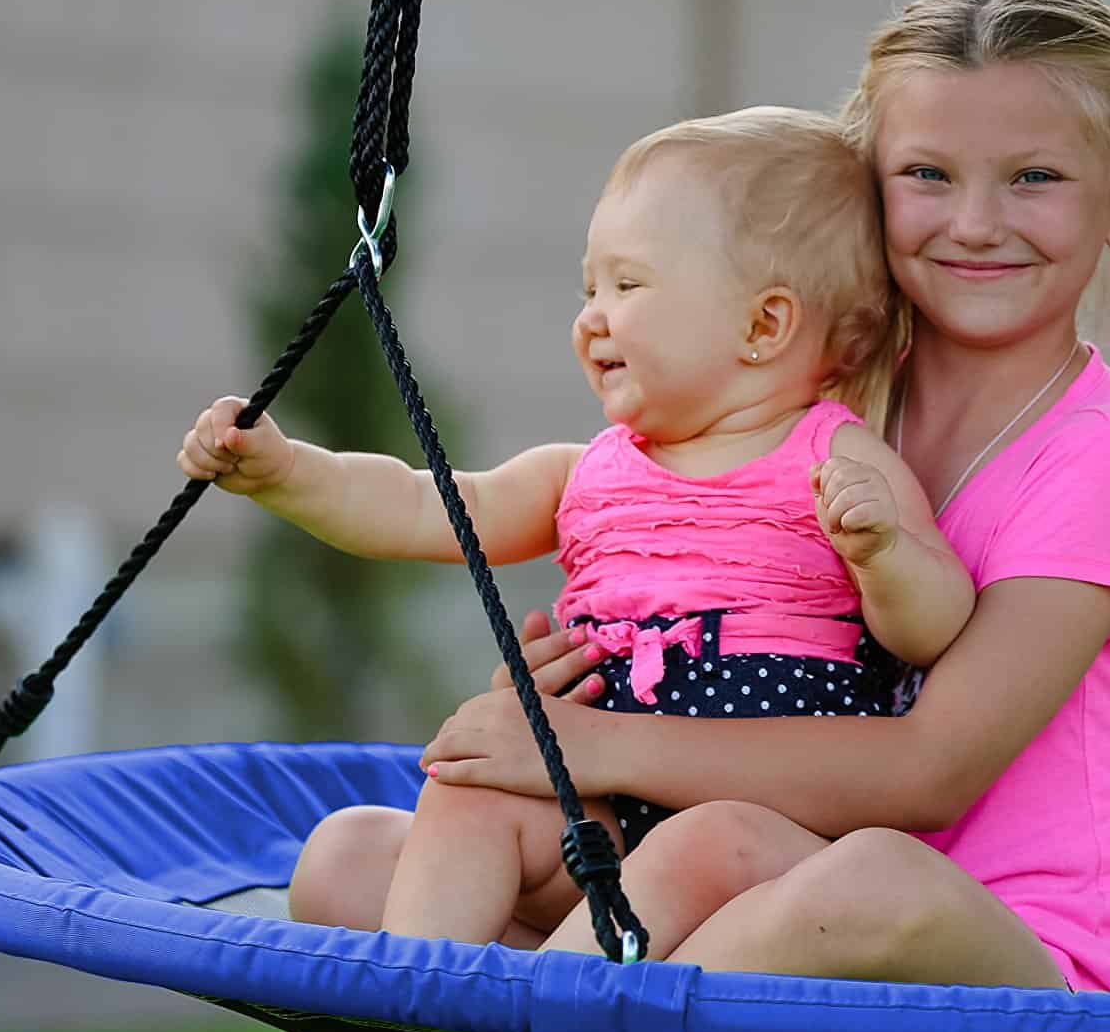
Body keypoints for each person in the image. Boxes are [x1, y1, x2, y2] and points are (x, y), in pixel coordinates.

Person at [410, 0, 1110, 992]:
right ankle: (547, 992)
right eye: (928, 176)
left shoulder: (1102, 457)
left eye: (1034, 177)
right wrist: (599, 678)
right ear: (868, 194)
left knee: (867, 881)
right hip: (762, 875)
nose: (976, 222)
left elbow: (928, 773)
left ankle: (566, 1017)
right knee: (361, 857)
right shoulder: (816, 416)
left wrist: (603, 741)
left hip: (1007, 945)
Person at [179, 107, 974, 946]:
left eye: (628, 286)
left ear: (763, 325)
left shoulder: (835, 462)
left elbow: (936, 624)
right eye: (588, 286)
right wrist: (292, 472)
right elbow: (431, 504)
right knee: (366, 843)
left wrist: (883, 554)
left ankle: (549, 1009)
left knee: (701, 847)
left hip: (753, 845)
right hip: (595, 822)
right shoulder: (586, 471)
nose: (592, 316)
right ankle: (431, 988)